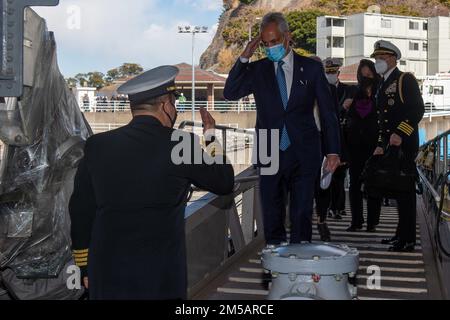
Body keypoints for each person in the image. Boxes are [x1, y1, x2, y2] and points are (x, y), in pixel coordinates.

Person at [69, 65, 235, 299]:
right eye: (174, 103)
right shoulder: (181, 143)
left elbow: (80, 210)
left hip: (107, 271)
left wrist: (84, 266)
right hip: (159, 275)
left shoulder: (97, 145)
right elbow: (224, 180)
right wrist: (210, 137)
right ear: (166, 105)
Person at [224, 12, 340, 245]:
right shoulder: (257, 70)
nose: (270, 47)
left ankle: (299, 260)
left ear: (287, 37)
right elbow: (230, 92)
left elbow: (328, 113)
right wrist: (245, 56)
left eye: (274, 41)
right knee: (272, 214)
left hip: (304, 150)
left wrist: (333, 151)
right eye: (265, 44)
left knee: (301, 213)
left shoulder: (311, 68)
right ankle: (275, 264)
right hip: (268, 149)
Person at [371, 40, 425, 252]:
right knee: (397, 191)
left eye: (382, 58)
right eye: (377, 59)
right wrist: (380, 144)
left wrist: (400, 133)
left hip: (403, 144)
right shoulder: (382, 83)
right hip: (390, 145)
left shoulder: (405, 79)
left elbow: (417, 110)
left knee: (405, 193)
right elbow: (381, 120)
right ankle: (400, 234)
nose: (378, 62)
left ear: (393, 58)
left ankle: (408, 239)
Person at [344, 59, 382, 232]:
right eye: (363, 74)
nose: (366, 77)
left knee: (373, 183)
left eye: (369, 74)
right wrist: (345, 106)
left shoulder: (380, 92)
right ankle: (356, 220)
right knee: (354, 183)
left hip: (374, 145)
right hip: (354, 145)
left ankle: (372, 222)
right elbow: (340, 112)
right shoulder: (353, 91)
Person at [324, 58, 356, 220]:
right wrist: (342, 108)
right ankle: (331, 207)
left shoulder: (349, 90)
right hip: (326, 138)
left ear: (338, 73)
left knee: (340, 176)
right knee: (328, 175)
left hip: (344, 138)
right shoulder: (321, 90)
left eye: (333, 72)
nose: (330, 75)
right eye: (327, 72)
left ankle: (339, 207)